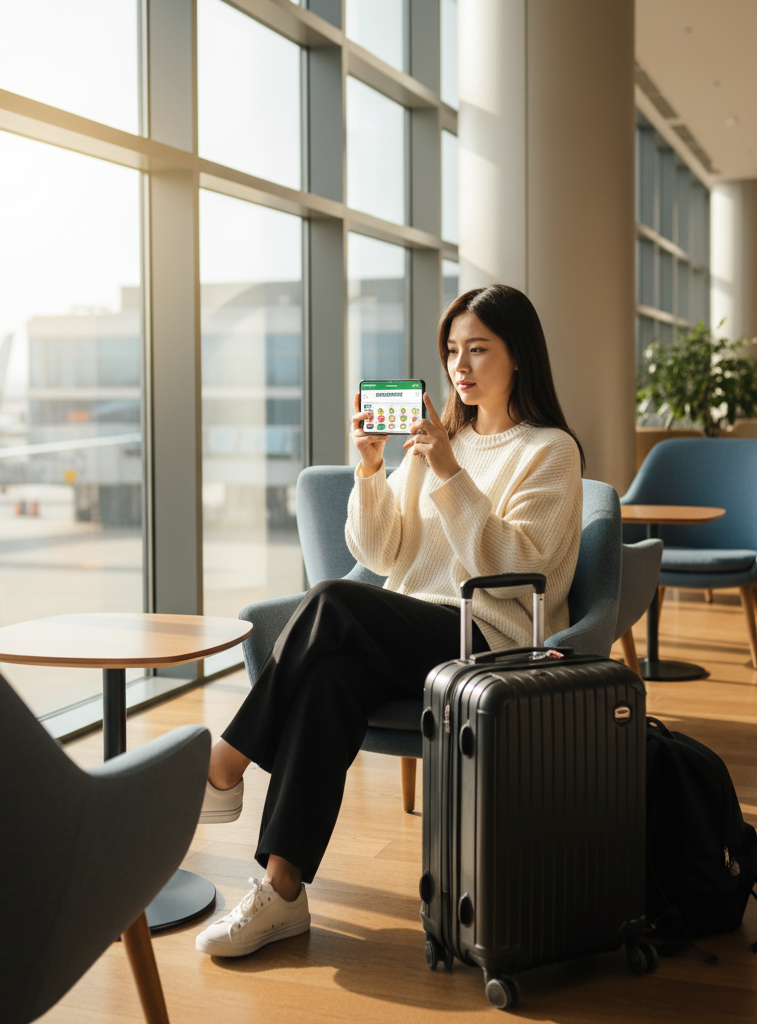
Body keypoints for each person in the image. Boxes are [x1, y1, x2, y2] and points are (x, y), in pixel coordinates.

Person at [194, 283, 585, 958]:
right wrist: (373, 470)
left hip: (486, 638)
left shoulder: (547, 450)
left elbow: (526, 567)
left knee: (332, 601)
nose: (460, 365)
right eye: (452, 350)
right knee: (330, 680)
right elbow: (381, 553)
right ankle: (282, 891)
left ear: (518, 355)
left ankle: (224, 761)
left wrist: (449, 474)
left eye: (478, 349)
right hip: (410, 630)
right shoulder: (440, 440)